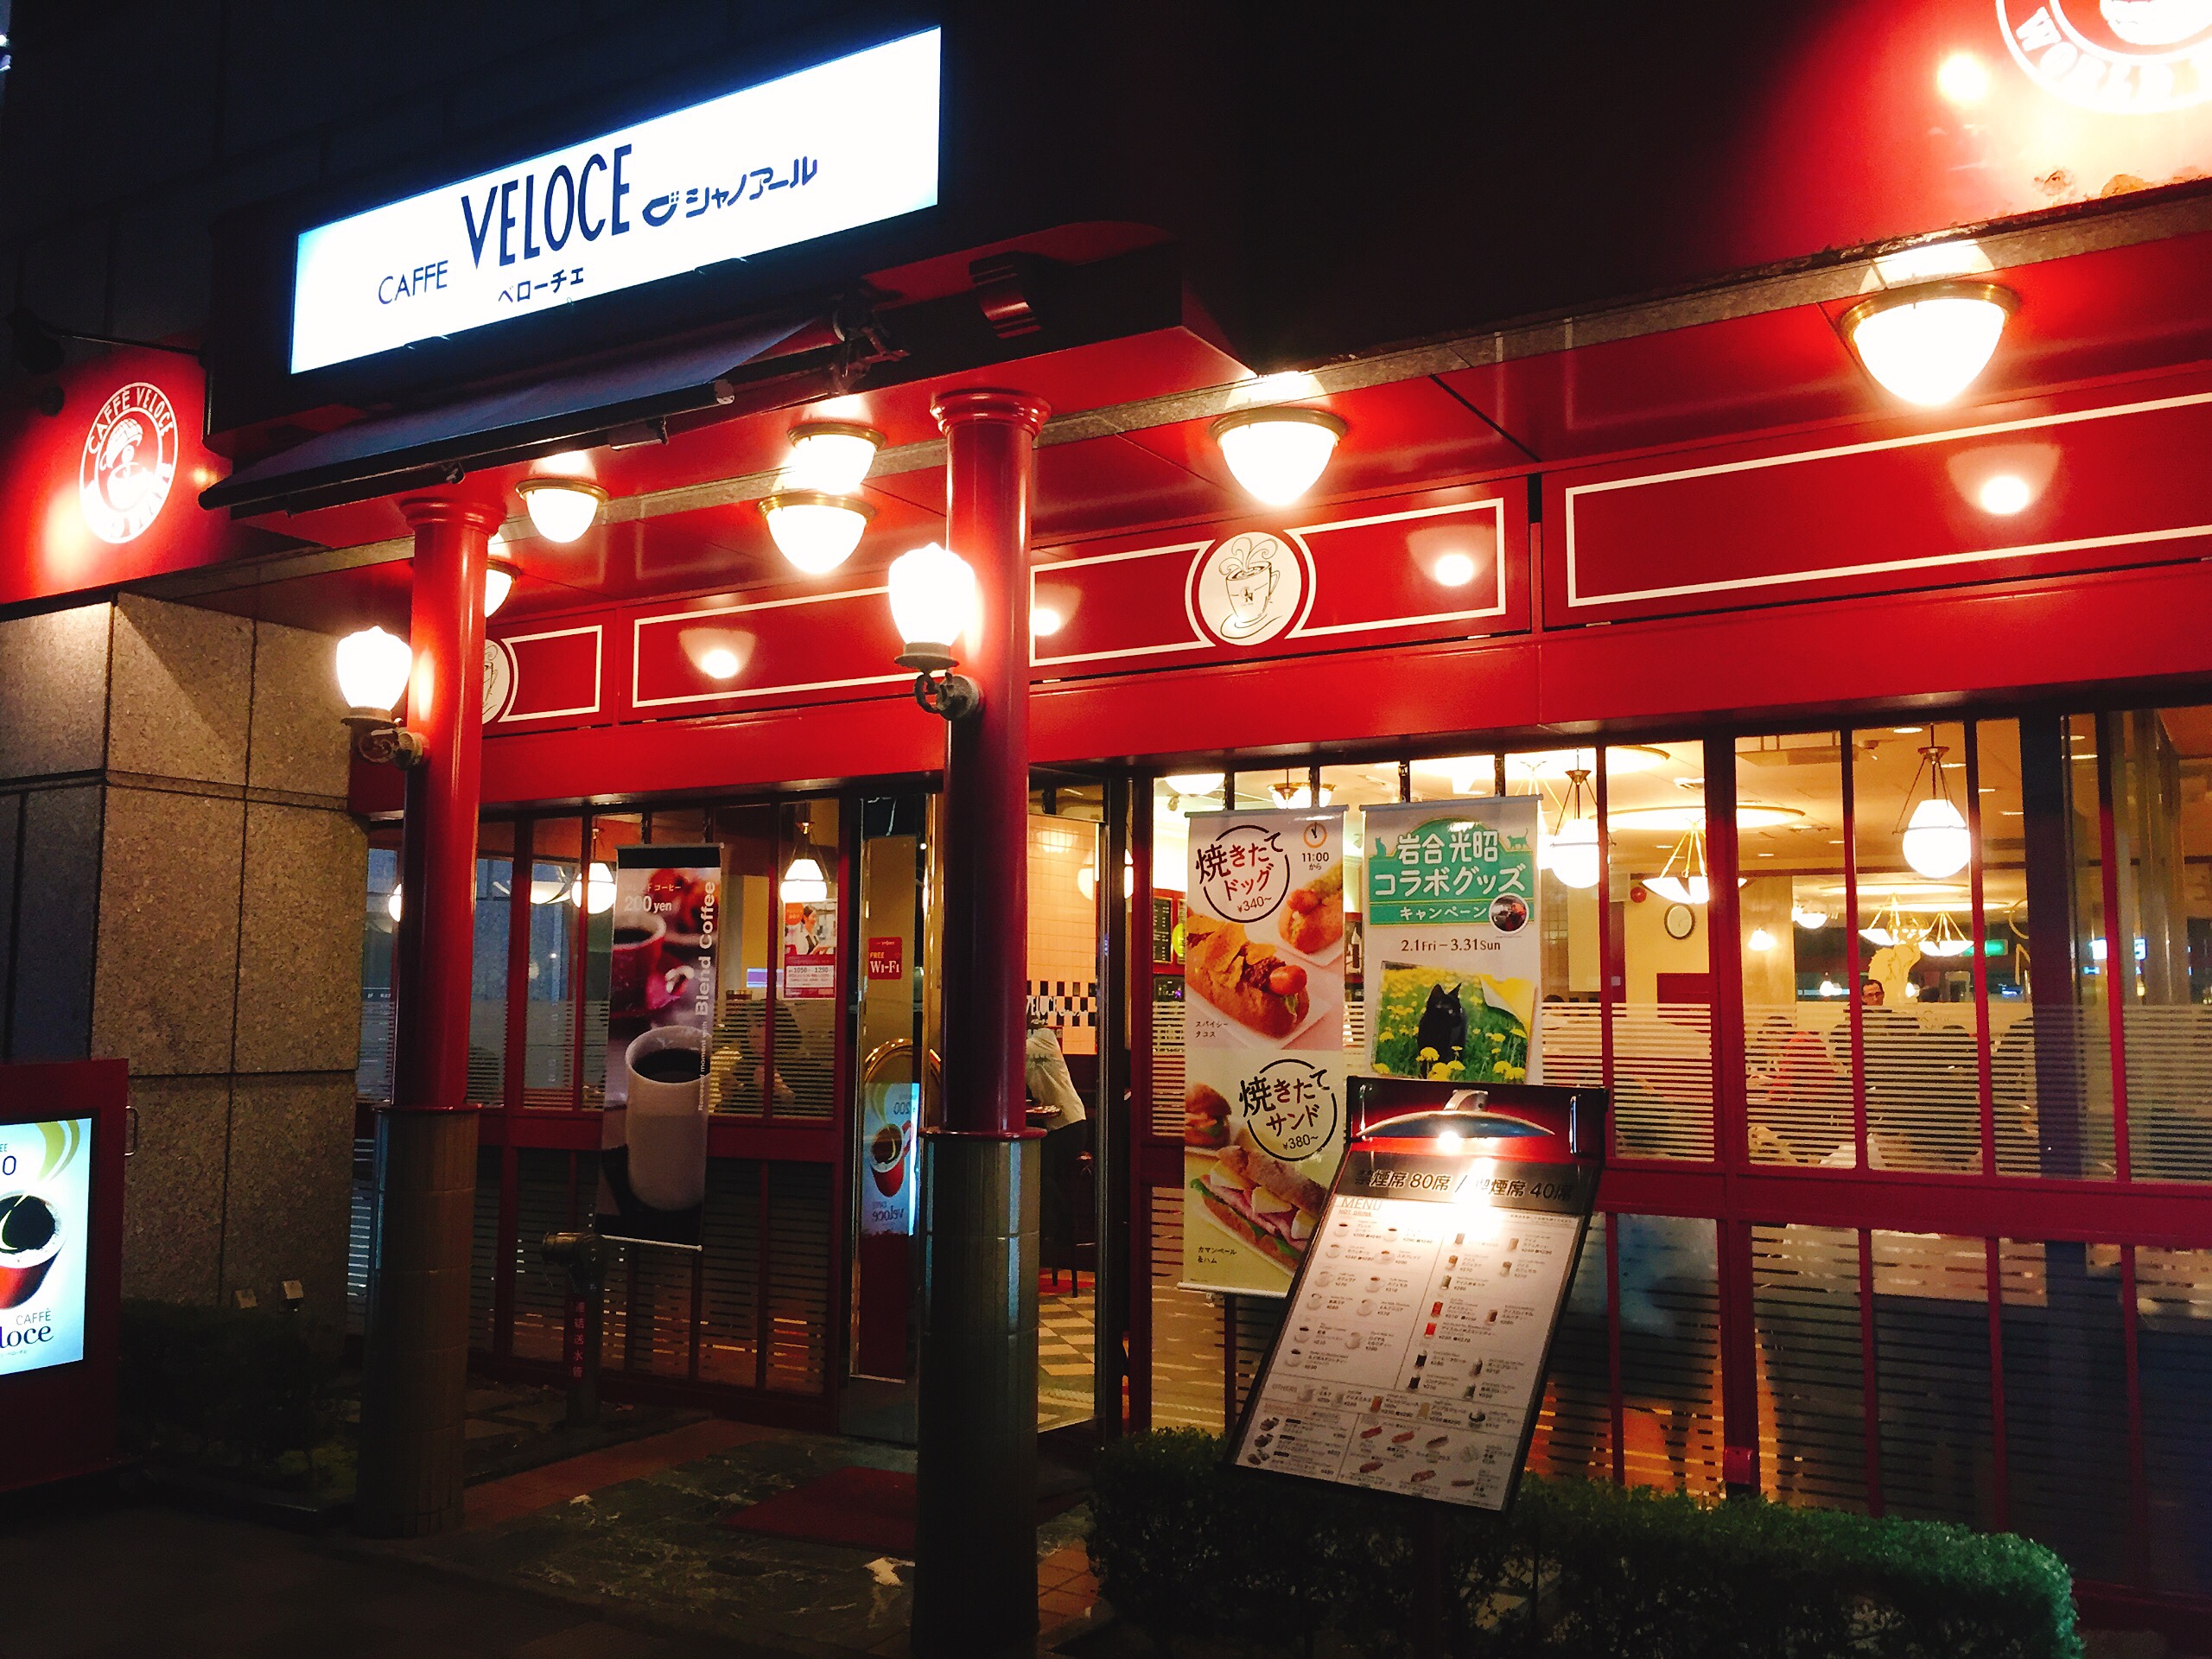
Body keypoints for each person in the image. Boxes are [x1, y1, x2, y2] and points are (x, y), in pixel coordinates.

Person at [1026, 1003, 1091, 1284]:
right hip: (1059, 1126)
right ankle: (1047, 1235)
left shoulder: (1041, 1040)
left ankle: (1062, 1225)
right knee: (1038, 1172)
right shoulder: (1032, 1044)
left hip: (1070, 1125)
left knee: (1040, 1174)